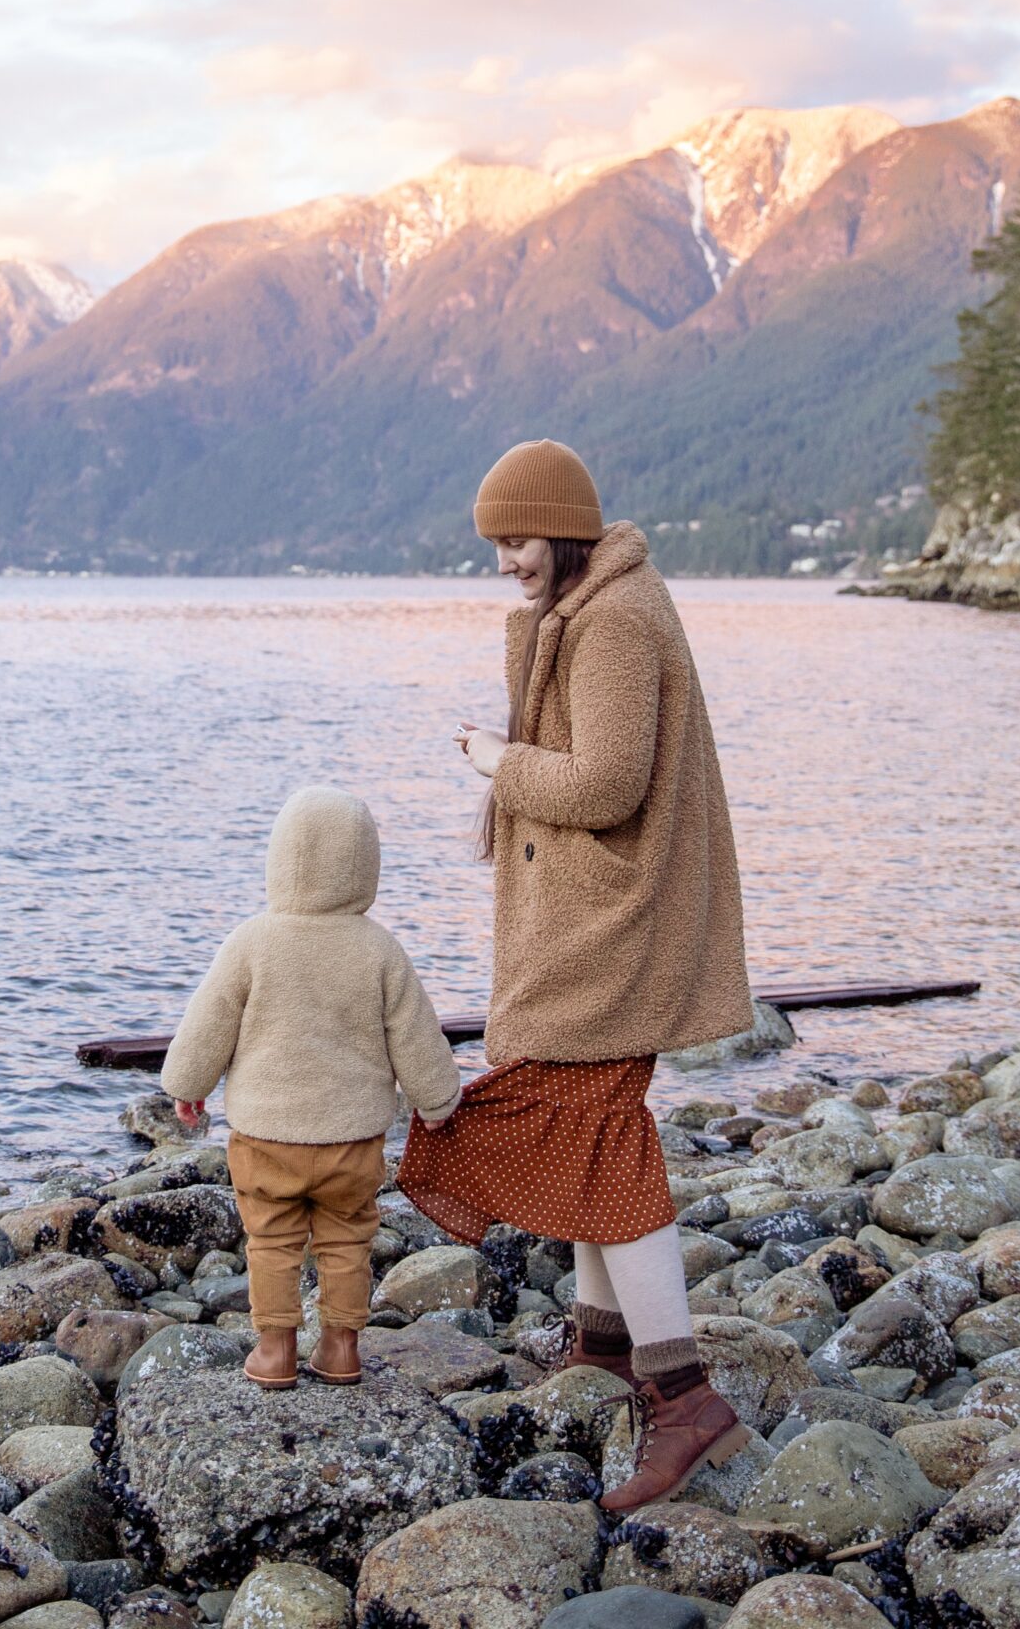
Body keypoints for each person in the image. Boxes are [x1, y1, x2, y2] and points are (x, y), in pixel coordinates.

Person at [399, 437, 756, 1506]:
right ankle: (604, 1345)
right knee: (588, 1124)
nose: (505, 560)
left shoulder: (611, 621)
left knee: (590, 1127)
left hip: (610, 928)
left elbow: (606, 782)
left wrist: (496, 761)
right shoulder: (603, 606)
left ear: (558, 527)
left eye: (513, 539)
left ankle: (685, 1398)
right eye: (495, 543)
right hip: (604, 922)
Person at [160, 784, 461, 1390]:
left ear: (279, 859)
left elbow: (208, 1021)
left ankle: (274, 1352)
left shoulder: (252, 940)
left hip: (267, 1135)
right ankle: (341, 1348)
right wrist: (437, 1100)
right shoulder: (380, 948)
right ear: (365, 866)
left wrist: (187, 1086)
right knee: (348, 1240)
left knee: (270, 1241)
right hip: (352, 1138)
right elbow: (417, 1035)